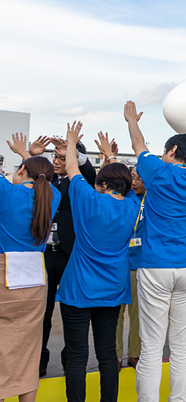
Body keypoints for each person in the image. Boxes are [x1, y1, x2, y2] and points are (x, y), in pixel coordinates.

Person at [124, 102, 186, 402]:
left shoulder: (158, 172)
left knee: (150, 347)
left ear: (172, 151)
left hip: (155, 266)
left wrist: (132, 120)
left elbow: (137, 144)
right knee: (181, 345)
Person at [57, 121, 139, 402]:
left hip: (78, 289)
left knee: (77, 356)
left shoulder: (88, 199)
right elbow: (125, 185)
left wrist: (70, 142)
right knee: (107, 355)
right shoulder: (131, 205)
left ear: (102, 183)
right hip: (113, 289)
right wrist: (110, 156)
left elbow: (71, 169)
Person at [14, 133, 98, 378]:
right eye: (55, 157)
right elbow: (34, 174)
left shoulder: (79, 181)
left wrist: (73, 152)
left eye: (63, 157)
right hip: (45, 256)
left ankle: (69, 363)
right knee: (43, 313)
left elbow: (88, 174)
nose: (58, 161)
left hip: (70, 255)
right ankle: (38, 362)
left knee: (72, 311)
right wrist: (33, 155)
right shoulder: (44, 182)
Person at [0, 138, 60, 402]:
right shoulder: (52, 196)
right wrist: (28, 156)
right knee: (29, 347)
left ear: (22, 170)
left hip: (4, 276)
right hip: (36, 281)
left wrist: (25, 154)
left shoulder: (6, 192)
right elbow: (40, 177)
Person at [117, 165, 145, 369]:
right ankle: (115, 354)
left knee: (137, 313)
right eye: (132, 177)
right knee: (115, 312)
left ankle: (134, 353)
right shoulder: (121, 199)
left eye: (138, 178)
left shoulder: (152, 200)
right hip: (118, 263)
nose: (134, 182)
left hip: (139, 263)